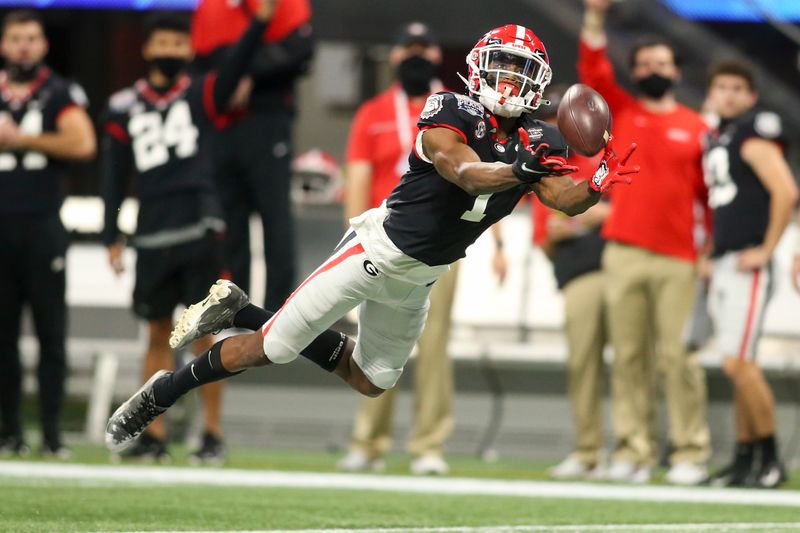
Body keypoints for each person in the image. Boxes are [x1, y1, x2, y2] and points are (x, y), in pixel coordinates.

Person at [104, 24, 639, 456]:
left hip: (421, 277)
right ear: (477, 66)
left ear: (539, 82)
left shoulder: (539, 137)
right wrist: (517, 170)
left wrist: (594, 185)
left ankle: (242, 308)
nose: (507, 77)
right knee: (272, 349)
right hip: (375, 251)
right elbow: (464, 171)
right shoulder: (449, 108)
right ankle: (163, 391)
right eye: (501, 63)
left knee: (370, 381)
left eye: (520, 70)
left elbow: (561, 198)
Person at [101, 4, 274, 463]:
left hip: (201, 226)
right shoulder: (122, 105)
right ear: (147, 48)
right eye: (163, 42)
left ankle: (210, 433)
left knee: (205, 333)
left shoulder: (201, 93)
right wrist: (111, 232)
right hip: (154, 230)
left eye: (178, 43)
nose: (170, 50)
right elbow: (113, 177)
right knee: (158, 334)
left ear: (189, 48)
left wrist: (259, 22)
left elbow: (238, 63)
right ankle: (154, 435)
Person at [579, 0, 712, 484]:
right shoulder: (623, 114)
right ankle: (635, 451)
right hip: (625, 252)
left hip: (680, 258)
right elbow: (593, 72)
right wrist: (594, 18)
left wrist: (710, 254)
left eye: (662, 63)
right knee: (630, 356)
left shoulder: (699, 129)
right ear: (633, 72)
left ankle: (689, 453)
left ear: (677, 71)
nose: (654, 70)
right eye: (646, 64)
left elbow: (712, 198)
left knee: (678, 358)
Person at [337, 22, 457, 475]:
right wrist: (352, 236)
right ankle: (368, 444)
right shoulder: (373, 111)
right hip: (382, 241)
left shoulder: (457, 111)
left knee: (434, 345)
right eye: (408, 48)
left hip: (443, 243)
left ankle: (429, 446)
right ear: (394, 56)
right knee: (375, 341)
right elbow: (358, 178)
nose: (417, 56)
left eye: (425, 49)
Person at [0, 10, 95, 458]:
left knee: (50, 333)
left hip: (42, 227)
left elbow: (82, 143)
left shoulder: (60, 91)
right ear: (4, 45)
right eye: (15, 38)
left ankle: (53, 434)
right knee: (2, 337)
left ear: (43, 45)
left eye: (31, 38)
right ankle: (9, 431)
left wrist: (21, 140)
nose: (23, 46)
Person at [702, 60, 797, 488]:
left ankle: (771, 459)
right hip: (725, 260)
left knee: (740, 364)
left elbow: (786, 191)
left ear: (752, 96)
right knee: (738, 364)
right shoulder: (718, 138)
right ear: (711, 93)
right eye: (721, 86)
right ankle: (744, 460)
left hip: (747, 263)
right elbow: (725, 205)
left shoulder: (752, 134)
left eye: (738, 87)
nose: (729, 94)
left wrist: (767, 249)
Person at [191, 0, 313, 311]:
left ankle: (278, 315)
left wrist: (248, 76)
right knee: (230, 223)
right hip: (223, 126)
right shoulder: (210, 7)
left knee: (275, 219)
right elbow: (201, 63)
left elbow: (300, 51)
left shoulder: (285, 3)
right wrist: (225, 82)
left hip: (267, 121)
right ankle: (233, 313)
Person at [529, 85, 608, 480]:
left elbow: (614, 212)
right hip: (577, 273)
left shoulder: (592, 161)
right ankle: (589, 450)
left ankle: (634, 450)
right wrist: (584, 218)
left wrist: (574, 222)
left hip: (612, 267)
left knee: (633, 361)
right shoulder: (542, 171)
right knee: (585, 364)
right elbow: (546, 238)